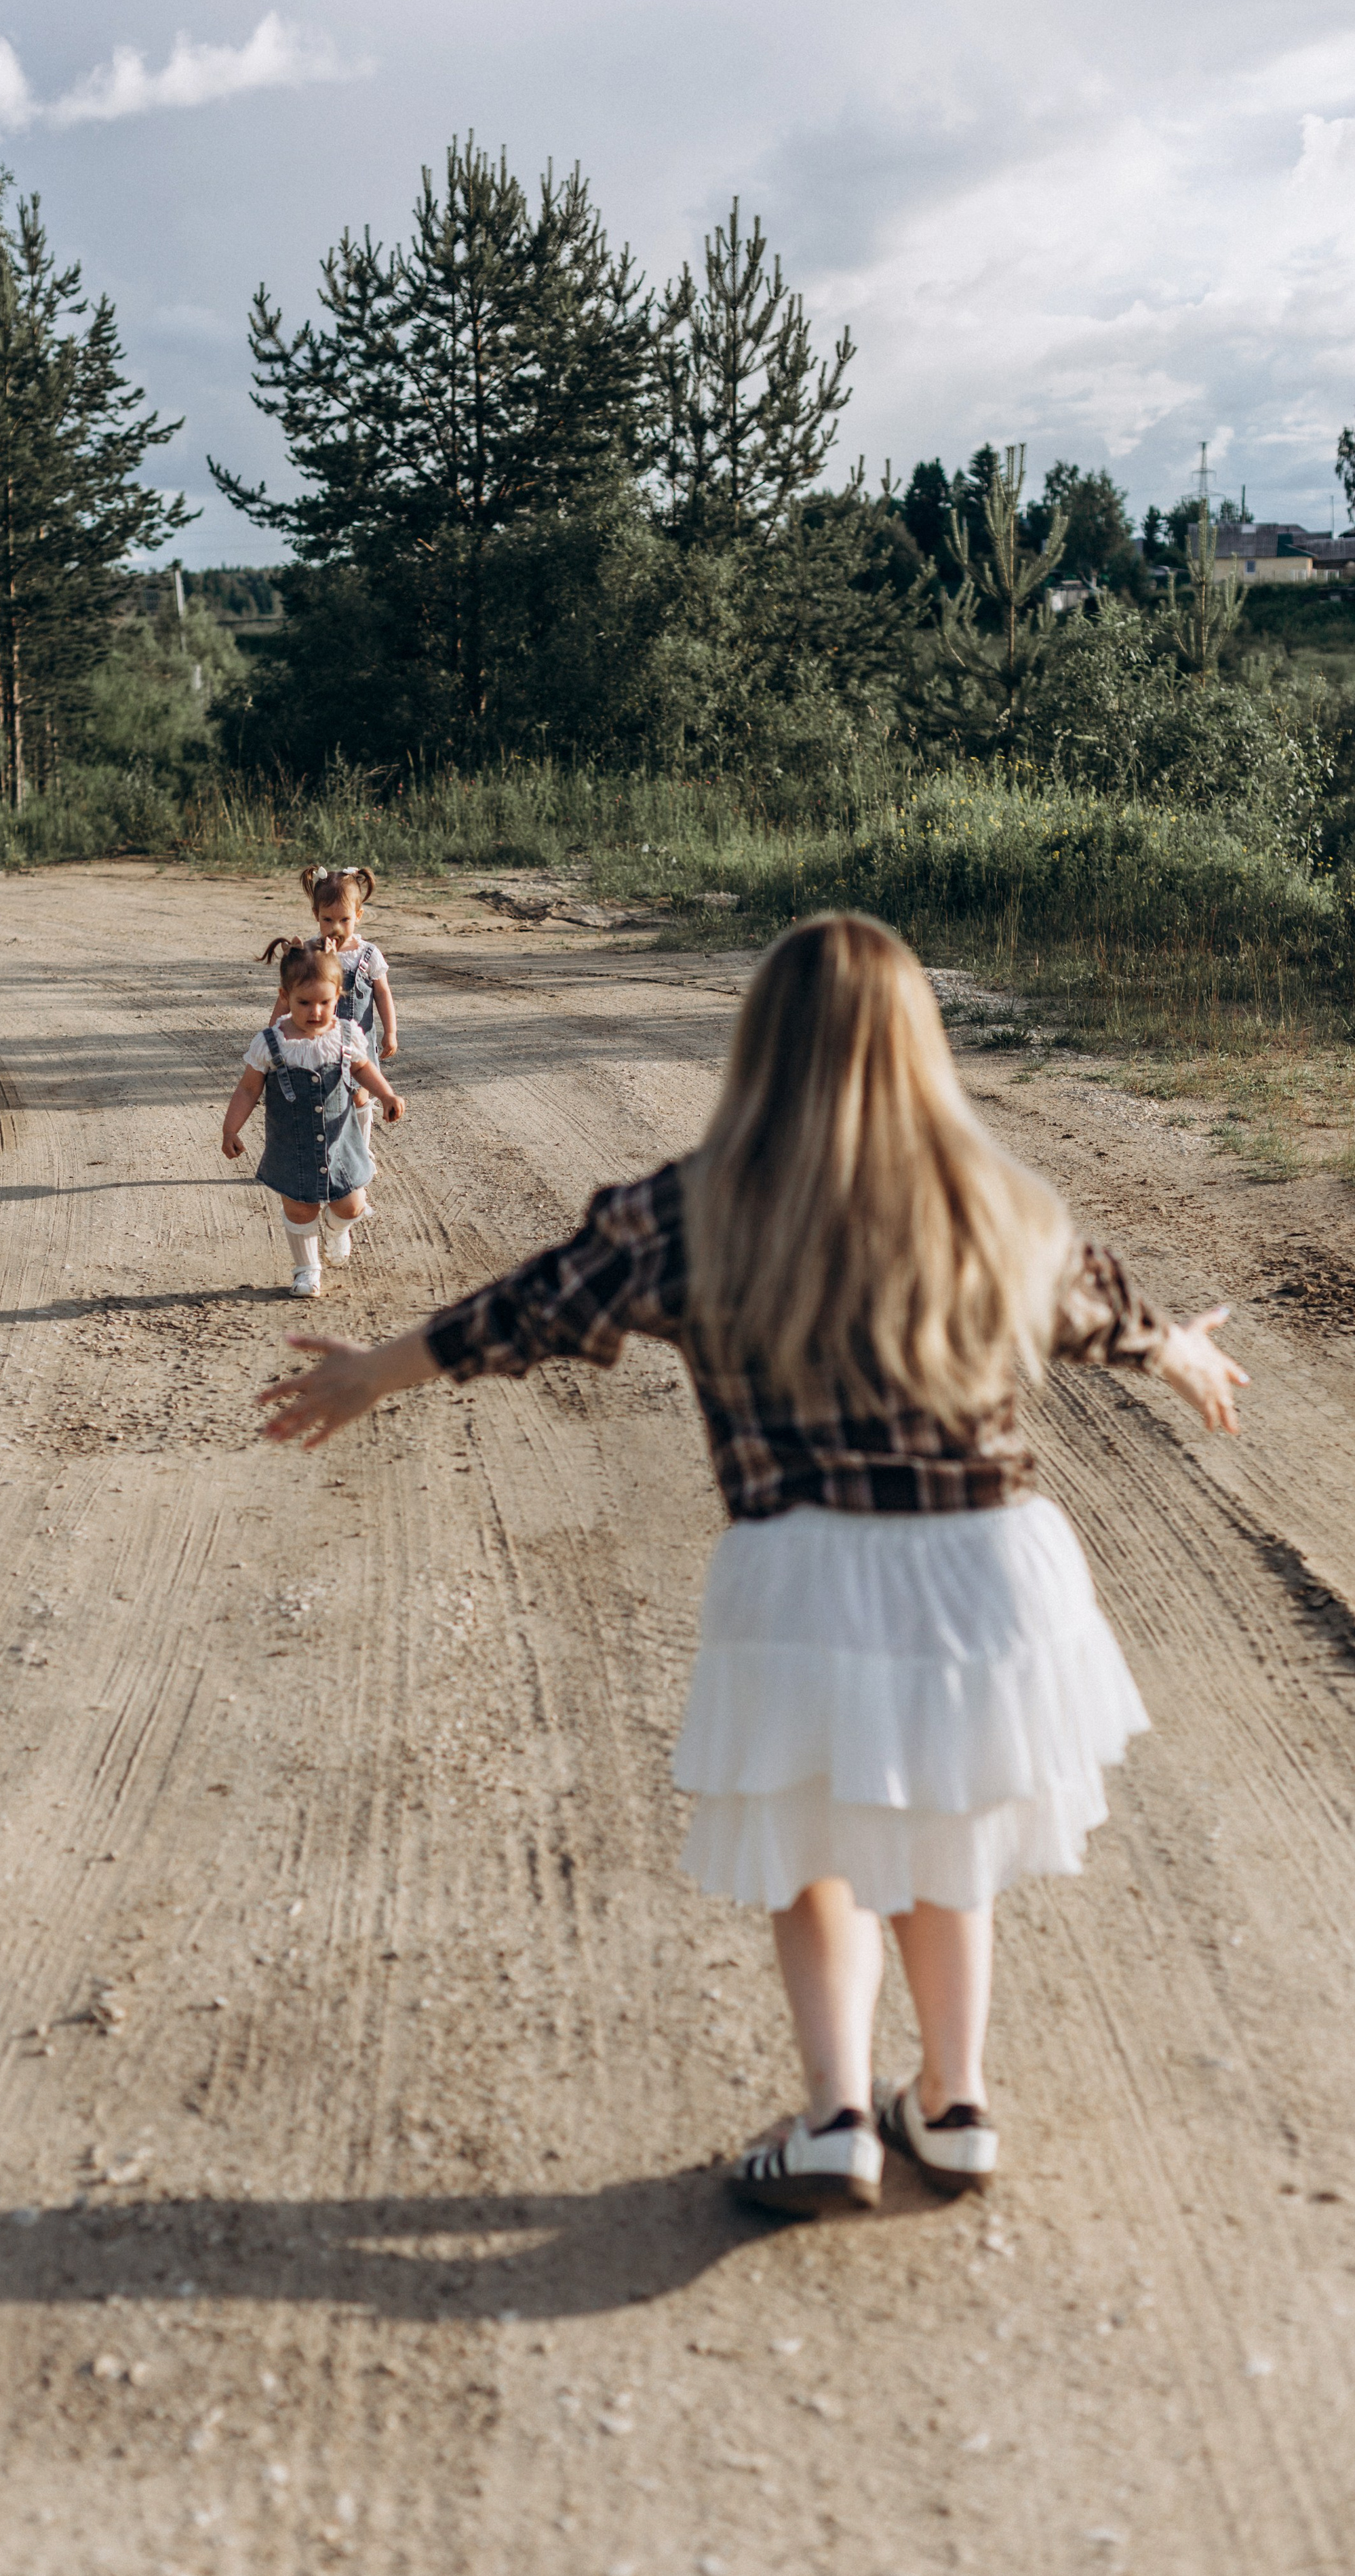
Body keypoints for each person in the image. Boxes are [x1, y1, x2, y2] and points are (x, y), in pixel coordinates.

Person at [256, 914, 1246, 2214]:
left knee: (815, 1846)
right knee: (944, 1840)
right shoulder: (982, 1197)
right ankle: (953, 2109)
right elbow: (1101, 1300)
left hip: (812, 1564)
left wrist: (371, 1371)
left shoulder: (695, 1206)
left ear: (760, 1047)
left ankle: (836, 2117)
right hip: (989, 1565)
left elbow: (533, 1310)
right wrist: (1176, 1350)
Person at [224, 940, 405, 1298]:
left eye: (325, 1002)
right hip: (292, 1146)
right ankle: (306, 1270)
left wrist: (386, 1094)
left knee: (351, 1206)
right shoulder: (271, 1043)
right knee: (300, 1208)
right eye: (304, 1002)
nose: (316, 1011)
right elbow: (248, 1090)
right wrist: (231, 1128)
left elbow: (364, 1067)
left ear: (338, 995)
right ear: (285, 996)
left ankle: (338, 1230)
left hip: (340, 1143)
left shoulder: (346, 1035)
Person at [267, 867, 398, 1131]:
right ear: (316, 915)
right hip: (318, 1041)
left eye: (344, 920)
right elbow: (288, 995)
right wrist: (274, 1032)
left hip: (358, 1042)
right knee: (322, 1096)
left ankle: (360, 1150)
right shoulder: (308, 954)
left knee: (360, 1095)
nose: (335, 928)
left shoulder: (368, 954)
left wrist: (391, 1032)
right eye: (327, 920)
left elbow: (383, 993)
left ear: (358, 916)